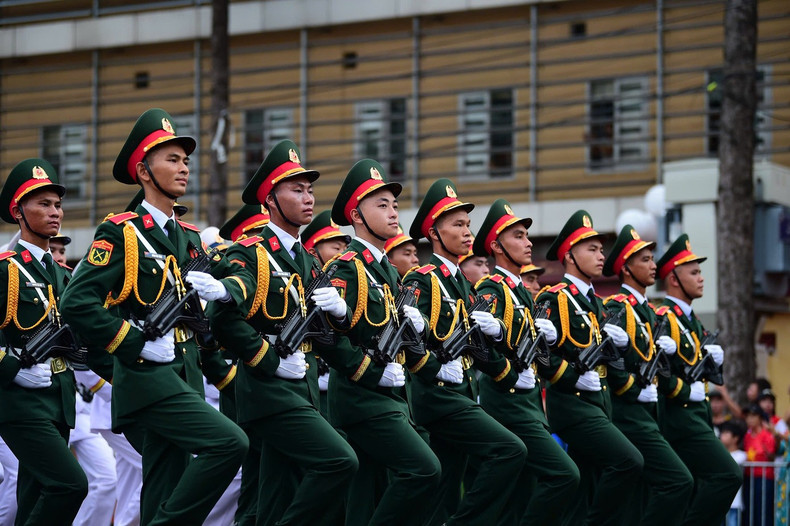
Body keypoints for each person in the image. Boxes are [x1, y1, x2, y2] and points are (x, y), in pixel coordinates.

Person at [60, 108, 248, 525]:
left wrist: (228, 288)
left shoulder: (192, 238)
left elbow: (241, 271)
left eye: (185, 160)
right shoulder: (123, 232)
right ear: (144, 171)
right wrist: (134, 341)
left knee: (164, 481)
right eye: (172, 160)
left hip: (185, 375)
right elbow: (77, 302)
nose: (183, 168)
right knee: (229, 444)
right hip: (147, 379)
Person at [206, 140, 358, 526]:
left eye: (309, 190)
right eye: (296, 189)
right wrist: (269, 359)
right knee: (339, 462)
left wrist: (341, 318)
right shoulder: (250, 251)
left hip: (301, 388)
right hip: (266, 390)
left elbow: (320, 329)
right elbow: (221, 319)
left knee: (270, 498)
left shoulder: (306, 260)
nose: (308, 198)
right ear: (271, 199)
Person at [319, 159, 441, 526]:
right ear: (356, 215)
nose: (393, 213)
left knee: (364, 497)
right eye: (382, 205)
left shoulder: (386, 269)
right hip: (361, 398)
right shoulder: (345, 266)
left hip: (387, 398)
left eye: (394, 205)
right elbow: (327, 336)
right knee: (425, 471)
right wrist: (371, 373)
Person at [403, 179, 527, 526]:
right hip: (436, 396)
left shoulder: (461, 283)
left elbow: (475, 343)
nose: (467, 231)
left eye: (468, 224)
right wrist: (434, 367)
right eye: (457, 224)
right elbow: (407, 334)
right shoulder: (422, 279)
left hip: (461, 394)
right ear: (434, 233)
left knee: (441, 489)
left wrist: (500, 339)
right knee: (509, 451)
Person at [473, 199, 580, 525]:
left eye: (526, 236)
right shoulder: (491, 288)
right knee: (564, 475)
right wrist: (509, 371)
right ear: (496, 245)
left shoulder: (521, 292)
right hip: (507, 405)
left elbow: (535, 353)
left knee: (519, 496)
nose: (528, 242)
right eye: (518, 236)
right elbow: (478, 345)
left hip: (529, 406)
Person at [534, 210, 644, 526]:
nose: (601, 256)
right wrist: (574, 377)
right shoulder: (554, 298)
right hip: (572, 407)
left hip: (599, 405)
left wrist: (622, 349)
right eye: (592, 250)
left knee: (583, 489)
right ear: (570, 255)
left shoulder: (595, 303)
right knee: (628, 462)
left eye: (601, 249)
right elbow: (541, 355)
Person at [0, 158, 89, 525]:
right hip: (19, 401)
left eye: (57, 204)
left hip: (59, 397)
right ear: (18, 212)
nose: (55, 212)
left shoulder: (62, 274)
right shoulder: (6, 268)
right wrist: (11, 369)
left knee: (35, 491)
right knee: (70, 484)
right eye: (43, 204)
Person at [601, 224, 693, 525]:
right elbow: (611, 361)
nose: (654, 266)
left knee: (639, 496)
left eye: (653, 259)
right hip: (628, 413)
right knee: (678, 481)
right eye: (645, 260)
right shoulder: (616, 307)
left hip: (651, 412)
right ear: (626, 268)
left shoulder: (651, 312)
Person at [654, 233, 742, 525]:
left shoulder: (692, 321)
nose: (701, 278)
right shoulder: (665, 317)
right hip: (680, 418)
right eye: (694, 272)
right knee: (728, 475)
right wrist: (684, 390)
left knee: (695, 488)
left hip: (698, 416)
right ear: (674, 279)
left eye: (700, 272)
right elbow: (659, 373)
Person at [301, 210, 351, 418]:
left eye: (344, 248)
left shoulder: (343, 283)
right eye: (335, 247)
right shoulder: (302, 283)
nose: (342, 253)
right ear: (313, 253)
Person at [742, 403, 776, 526]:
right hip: (749, 477)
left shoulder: (767, 435)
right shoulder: (747, 435)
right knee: (749, 510)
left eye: (753, 416)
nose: (750, 419)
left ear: (760, 417)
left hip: (764, 478)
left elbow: (772, 456)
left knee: (762, 511)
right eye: (748, 416)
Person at [720, 421, 747, 526]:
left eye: (726, 433)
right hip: (720, 500)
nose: (722, 436)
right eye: (722, 433)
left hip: (735, 502)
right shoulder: (720, 455)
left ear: (736, 438)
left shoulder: (742, 455)